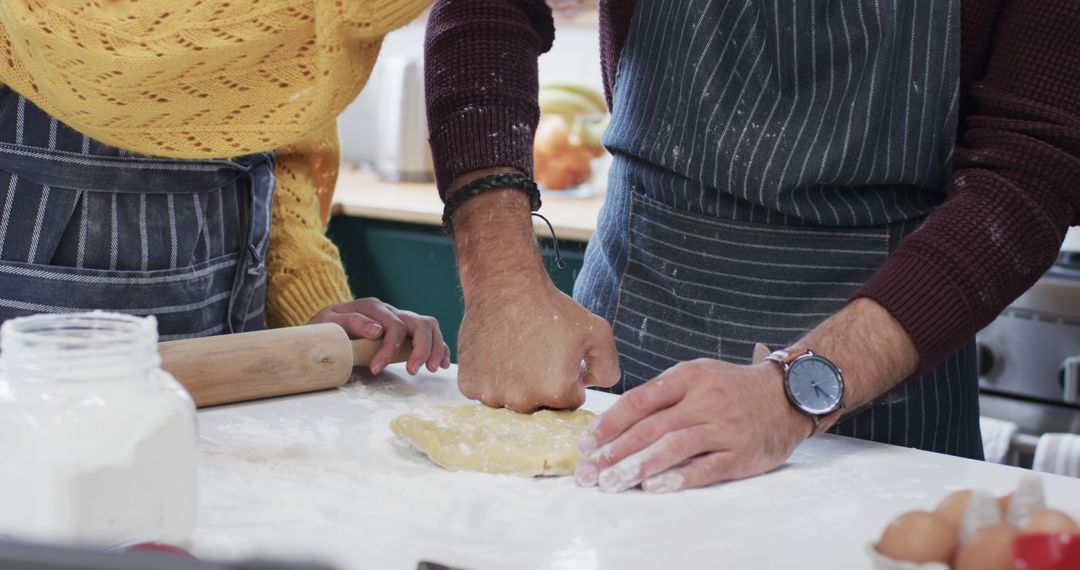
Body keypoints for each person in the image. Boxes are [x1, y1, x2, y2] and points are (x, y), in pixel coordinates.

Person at [424, 0, 1080, 492]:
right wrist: (502, 277)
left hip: (885, 395)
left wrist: (798, 391)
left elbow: (1031, 166)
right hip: (627, 347)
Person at [0, 1, 449, 375]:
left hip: (234, 379)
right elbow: (113, 58)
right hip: (41, 398)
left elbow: (282, 159)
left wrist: (318, 311)